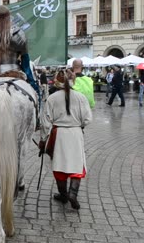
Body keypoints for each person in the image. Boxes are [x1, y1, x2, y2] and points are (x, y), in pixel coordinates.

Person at [39, 69, 93, 210]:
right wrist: (78, 125)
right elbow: (88, 119)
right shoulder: (81, 97)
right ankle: (73, 194)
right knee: (76, 165)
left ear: (57, 80)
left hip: (59, 135)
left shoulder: (52, 98)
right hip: (76, 134)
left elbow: (45, 122)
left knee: (60, 165)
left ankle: (63, 195)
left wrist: (43, 140)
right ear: (73, 80)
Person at [0, 5, 39, 96]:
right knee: (36, 94)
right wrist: (32, 82)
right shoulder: (18, 35)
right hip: (14, 71)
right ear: (8, 17)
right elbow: (26, 64)